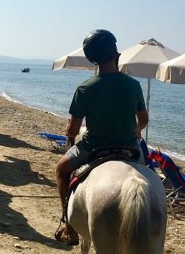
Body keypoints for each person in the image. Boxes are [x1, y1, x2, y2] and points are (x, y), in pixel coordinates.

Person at [54, 29, 149, 245]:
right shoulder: (133, 85)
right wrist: (136, 130)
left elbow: (73, 129)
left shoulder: (84, 88)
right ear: (115, 53)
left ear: (92, 58)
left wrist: (69, 131)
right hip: (130, 147)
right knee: (148, 172)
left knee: (61, 170)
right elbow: (143, 119)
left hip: (93, 147)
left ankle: (68, 224)